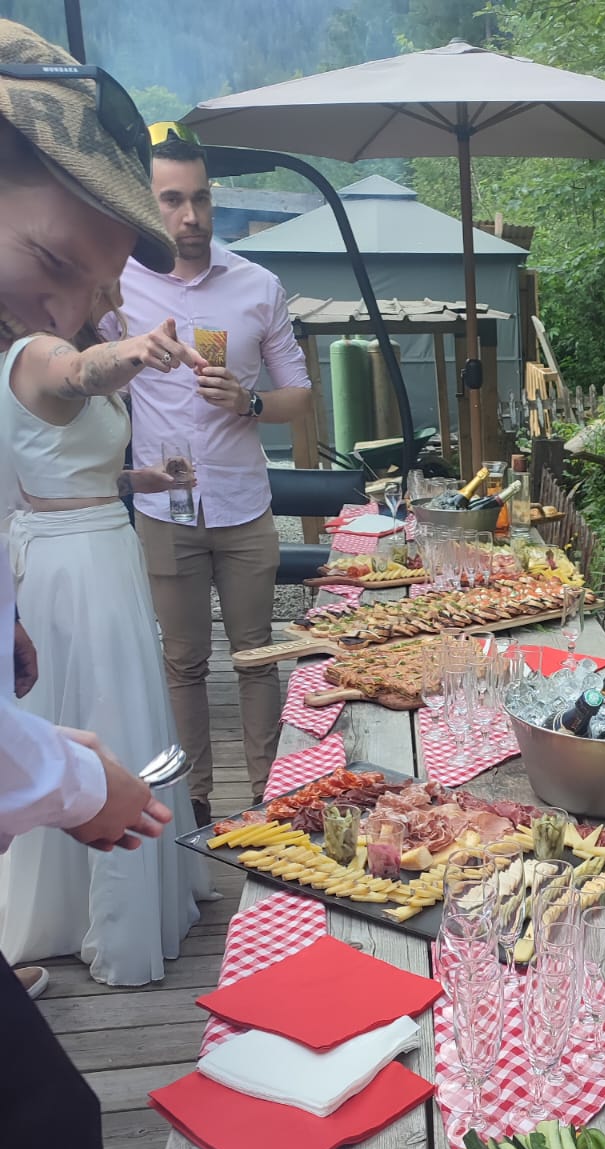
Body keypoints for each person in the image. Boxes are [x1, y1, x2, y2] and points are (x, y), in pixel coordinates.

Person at [0, 21, 178, 1149]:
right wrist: (68, 778)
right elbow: (54, 380)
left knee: (48, 1140)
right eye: (52, 258)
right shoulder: (34, 350)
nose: (59, 307)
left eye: (87, 285)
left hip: (78, 578)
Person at [0, 290, 207, 986]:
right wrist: (137, 350)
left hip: (105, 547)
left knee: (115, 702)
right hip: (73, 564)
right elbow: (81, 373)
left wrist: (141, 479)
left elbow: (66, 464)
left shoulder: (72, 347)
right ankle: (113, 919)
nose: (115, 290)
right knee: (106, 710)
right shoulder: (39, 351)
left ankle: (80, 901)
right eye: (104, 275)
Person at [113, 130, 312, 827]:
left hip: (243, 502)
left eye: (200, 198)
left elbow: (299, 396)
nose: (190, 215)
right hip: (166, 508)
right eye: (172, 200)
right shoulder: (118, 287)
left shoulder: (258, 285)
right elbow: (80, 377)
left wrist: (249, 401)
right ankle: (193, 805)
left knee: (257, 657)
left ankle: (271, 801)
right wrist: (131, 355)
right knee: (183, 663)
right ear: (149, 204)